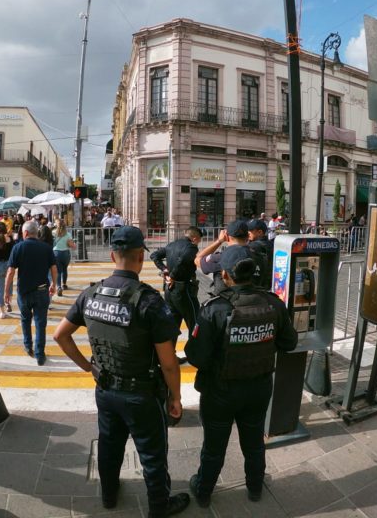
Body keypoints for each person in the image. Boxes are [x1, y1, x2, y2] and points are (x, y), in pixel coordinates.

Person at [52, 226, 190, 517]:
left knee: (109, 445)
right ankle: (159, 507)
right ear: (141, 257)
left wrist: (88, 366)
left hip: (105, 389)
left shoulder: (90, 293)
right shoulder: (149, 301)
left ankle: (109, 496)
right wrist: (175, 397)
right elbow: (168, 362)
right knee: (152, 455)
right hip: (141, 394)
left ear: (113, 255)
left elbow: (60, 335)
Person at [185, 246, 297, 508]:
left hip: (220, 391)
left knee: (214, 446)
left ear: (225, 275)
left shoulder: (214, 309)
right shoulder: (273, 304)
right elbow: (289, 343)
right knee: (254, 441)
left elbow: (195, 356)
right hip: (258, 387)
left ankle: (203, 492)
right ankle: (255, 487)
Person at [4, 220, 57, 366]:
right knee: (41, 323)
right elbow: (54, 267)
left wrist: (6, 291)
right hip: (42, 291)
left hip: (24, 292)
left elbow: (10, 272)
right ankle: (40, 355)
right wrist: (54, 284)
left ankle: (28, 347)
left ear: (25, 233)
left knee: (25, 319)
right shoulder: (46, 248)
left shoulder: (18, 247)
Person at [149, 226, 203, 358]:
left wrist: (165, 270)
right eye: (199, 241)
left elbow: (154, 255)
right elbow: (183, 260)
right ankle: (195, 354)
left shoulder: (172, 244)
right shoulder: (191, 247)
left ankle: (169, 356)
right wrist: (172, 275)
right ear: (195, 238)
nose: (198, 243)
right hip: (184, 290)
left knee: (173, 324)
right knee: (195, 322)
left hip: (169, 290)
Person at [195, 220, 262, 295]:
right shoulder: (258, 255)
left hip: (228, 302)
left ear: (226, 236)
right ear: (247, 235)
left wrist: (219, 241)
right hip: (256, 299)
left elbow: (197, 259)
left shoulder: (221, 257)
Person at [247, 219, 272, 289]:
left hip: (257, 285)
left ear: (260, 232)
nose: (247, 233)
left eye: (250, 231)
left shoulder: (252, 246)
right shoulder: (271, 244)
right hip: (269, 284)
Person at [52, 223, 76, 296]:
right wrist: (74, 245)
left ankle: (59, 287)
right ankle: (64, 284)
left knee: (58, 271)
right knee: (65, 269)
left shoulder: (53, 233)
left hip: (56, 253)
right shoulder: (68, 234)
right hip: (65, 253)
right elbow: (72, 245)